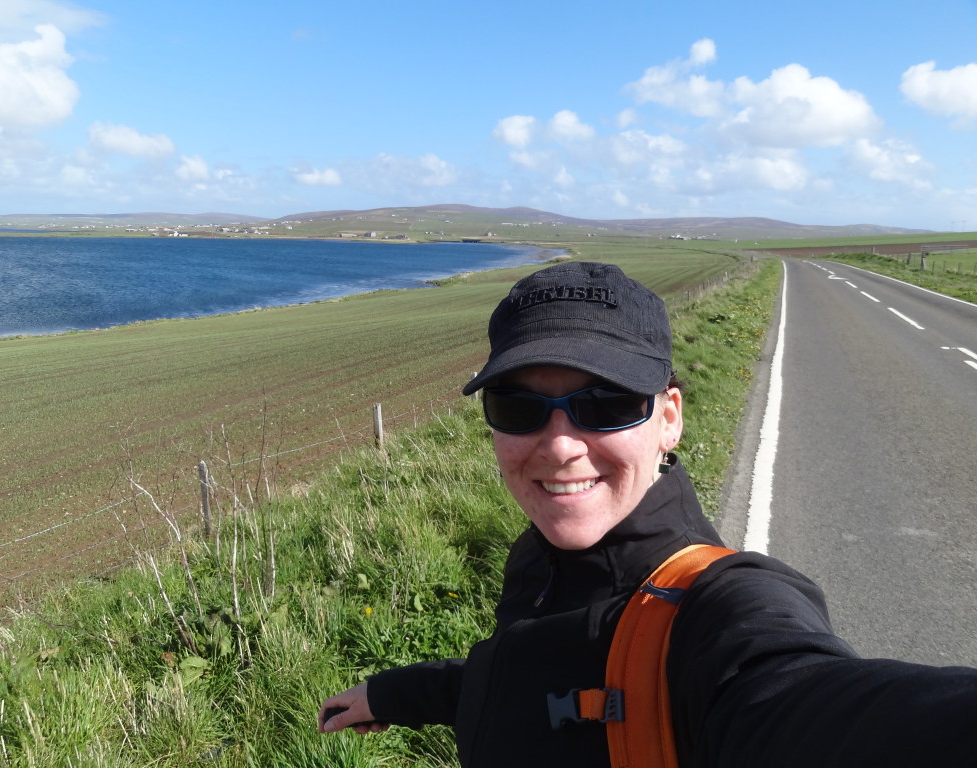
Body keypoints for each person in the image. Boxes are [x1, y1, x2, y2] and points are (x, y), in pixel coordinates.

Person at [319, 261, 977, 767]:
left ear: (669, 418)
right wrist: (396, 694)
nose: (559, 445)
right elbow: (527, 669)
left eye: (605, 403)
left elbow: (801, 697)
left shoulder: (725, 609)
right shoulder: (540, 556)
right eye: (518, 407)